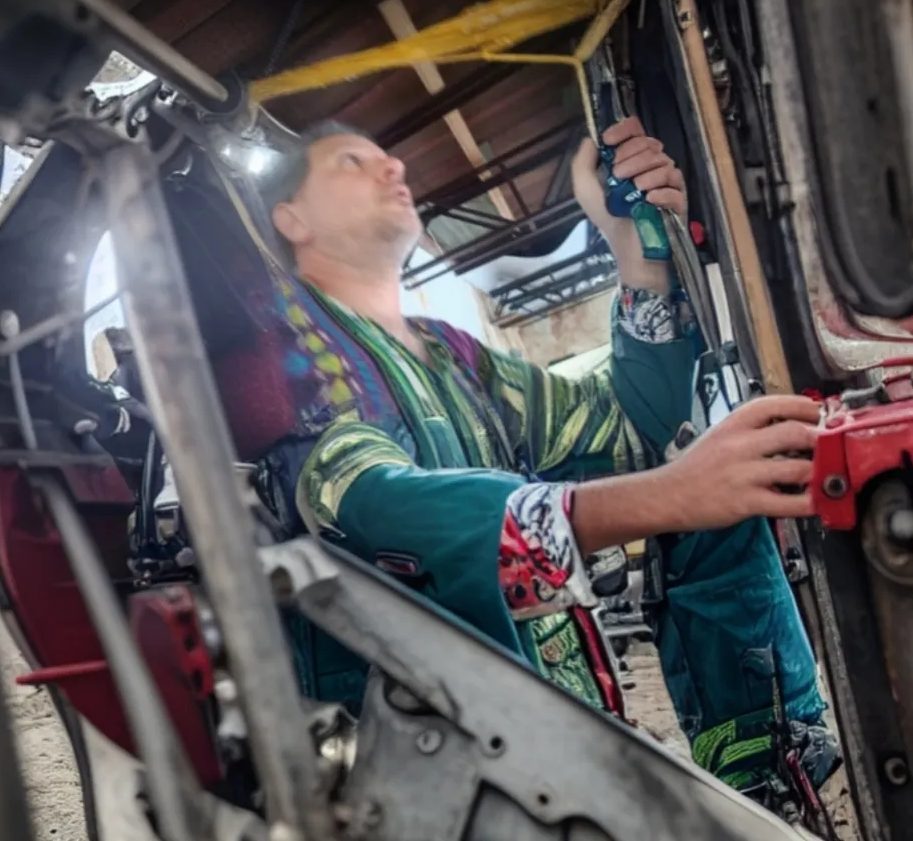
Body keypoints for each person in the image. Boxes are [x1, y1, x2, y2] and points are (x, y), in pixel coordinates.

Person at [211, 116, 839, 799]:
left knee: (720, 483)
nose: (393, 168)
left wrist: (633, 251)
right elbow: (378, 508)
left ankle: (767, 770)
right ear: (292, 218)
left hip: (564, 747)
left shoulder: (454, 353)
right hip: (447, 781)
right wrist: (670, 493)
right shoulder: (290, 350)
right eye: (352, 164)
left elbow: (633, 431)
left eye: (388, 156)